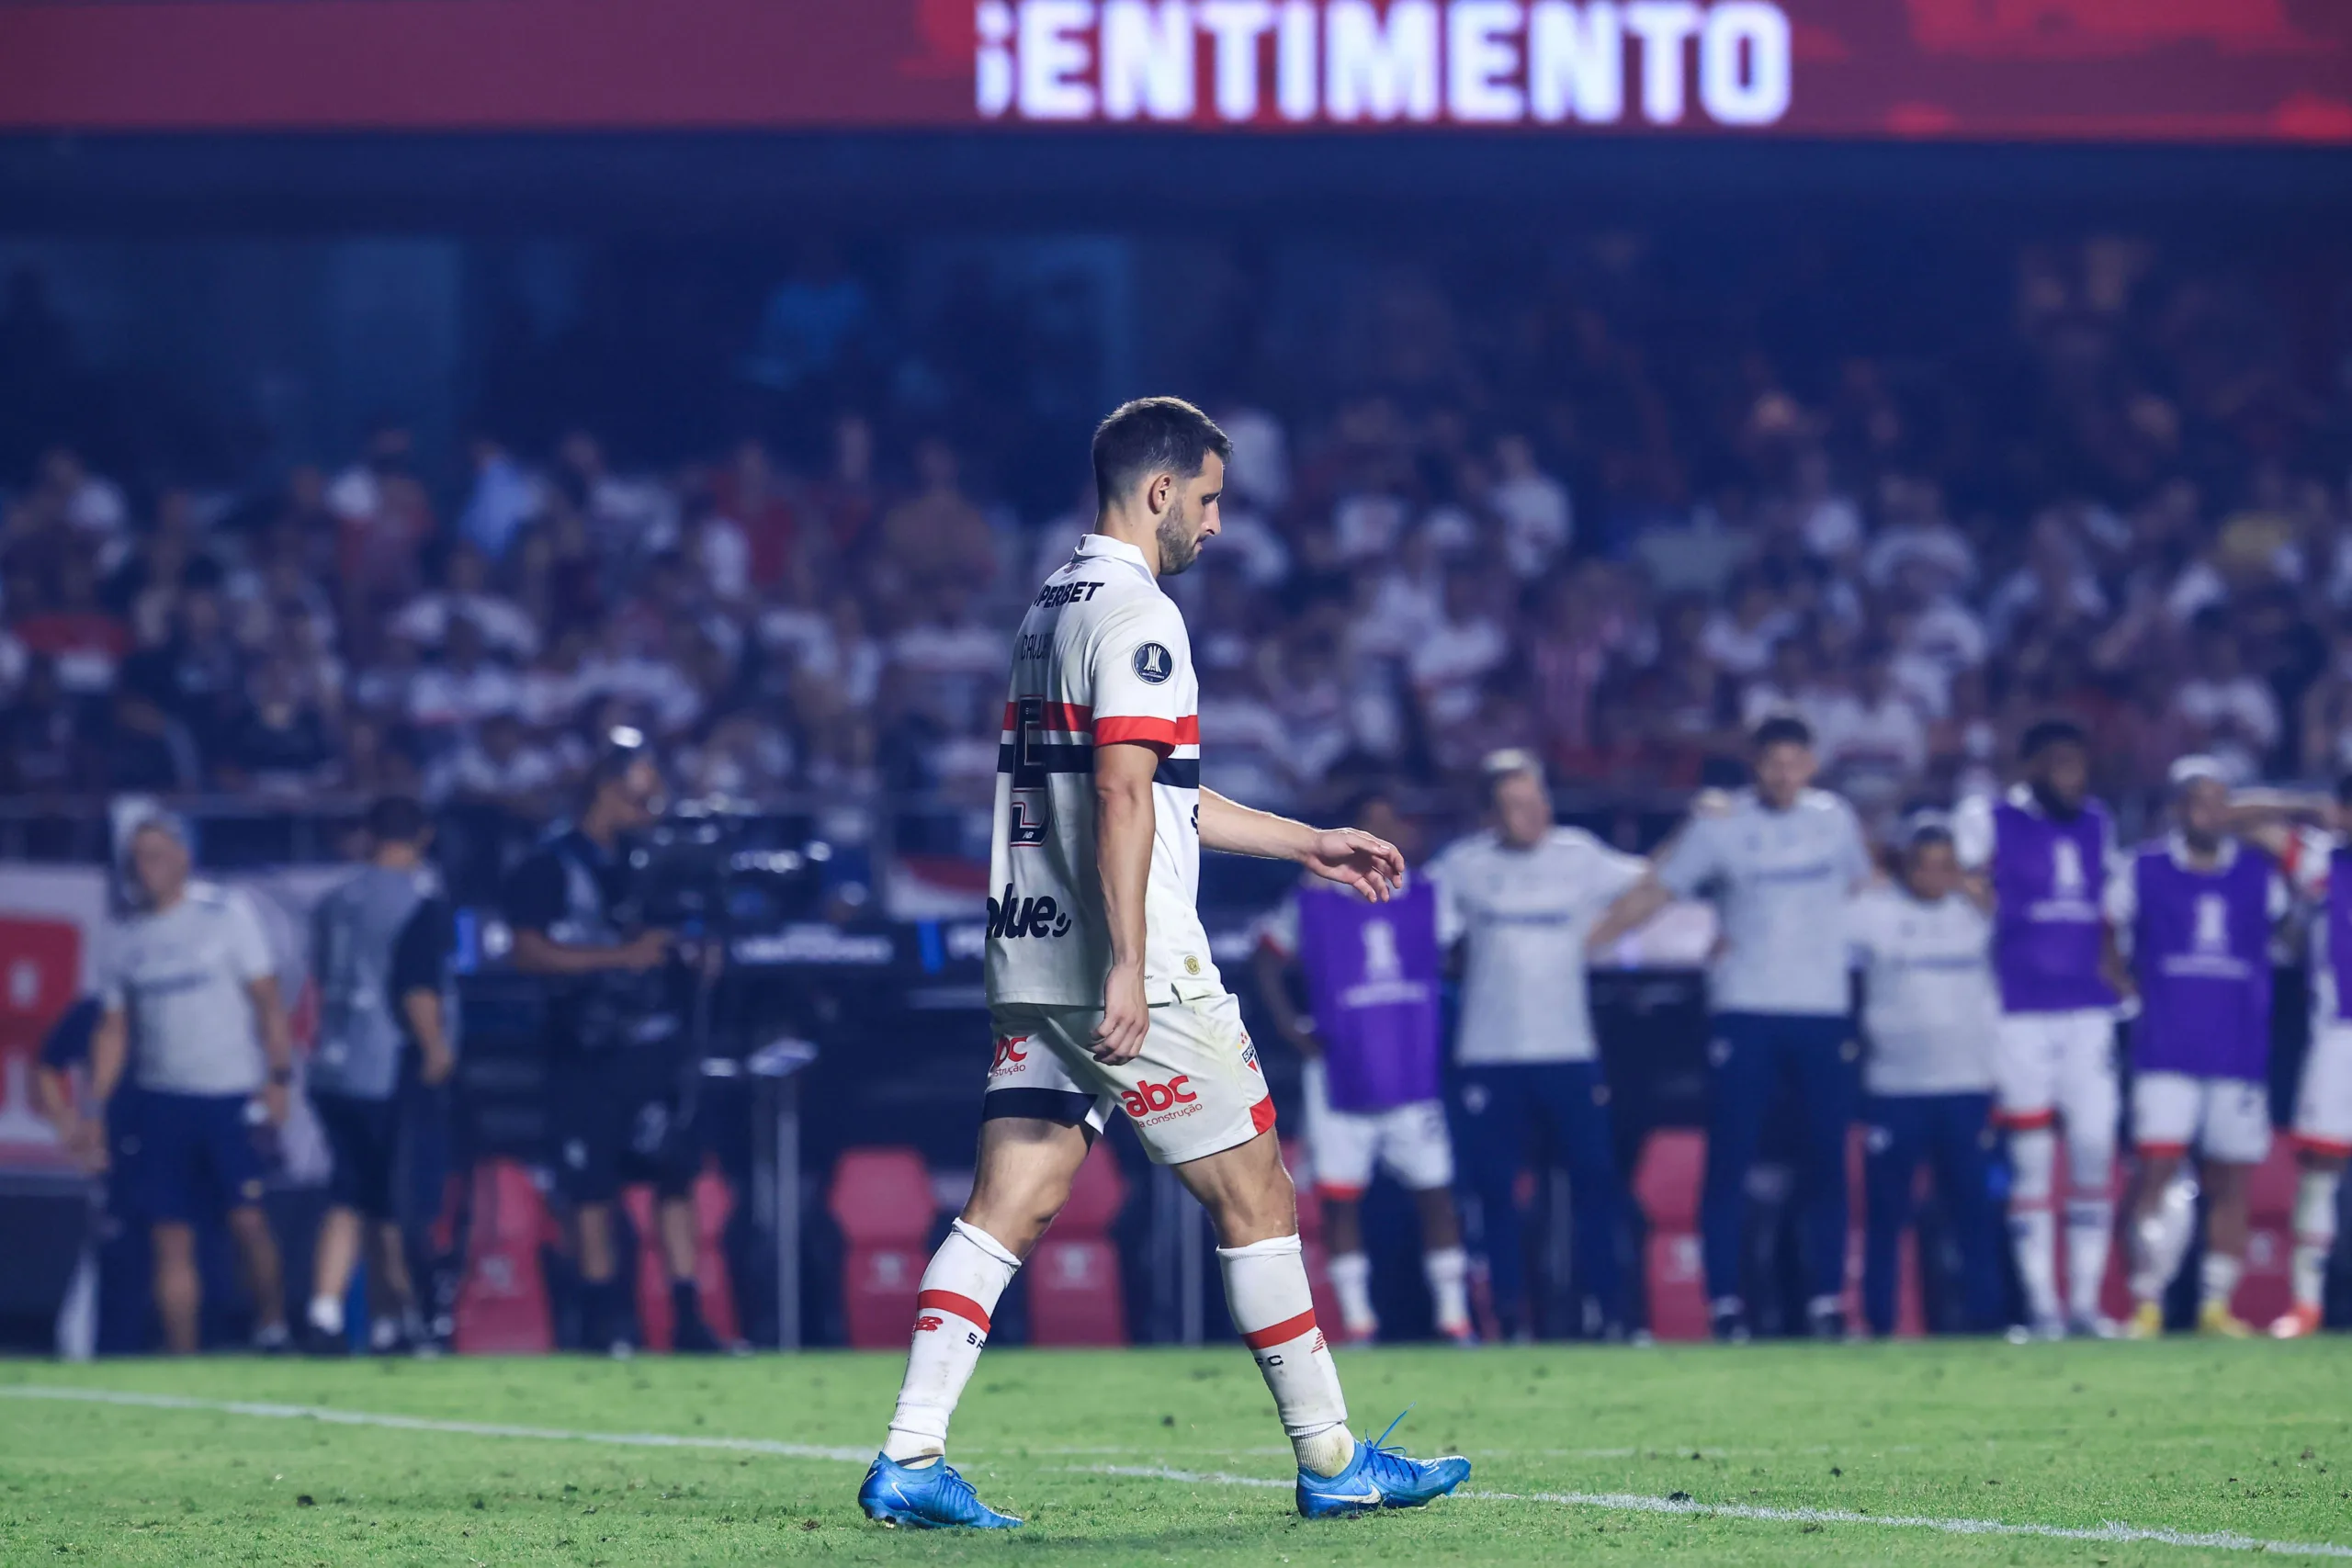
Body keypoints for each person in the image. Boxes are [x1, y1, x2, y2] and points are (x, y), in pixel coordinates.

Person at [860, 397, 1467, 1530]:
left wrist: (1308, 841)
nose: (1218, 523)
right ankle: (1332, 1457)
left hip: (1035, 962)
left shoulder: (1050, 605)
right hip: (1131, 966)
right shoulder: (1141, 614)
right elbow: (1124, 794)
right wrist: (1133, 967)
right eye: (1209, 497)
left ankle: (909, 1456)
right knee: (1260, 1191)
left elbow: (1165, 791)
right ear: (1157, 492)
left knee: (1011, 1200)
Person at [1592, 716, 1872, 1341]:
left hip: (1822, 1011)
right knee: (1729, 1160)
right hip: (1744, 1010)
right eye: (1771, 760)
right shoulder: (1722, 826)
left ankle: (1829, 1300)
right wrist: (1589, 941)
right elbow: (1657, 890)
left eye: (1793, 760)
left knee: (1829, 1159)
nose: (1782, 772)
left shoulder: (1836, 820)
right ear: (1755, 764)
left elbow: (1865, 887)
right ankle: (1723, 1302)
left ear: (1810, 763)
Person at [503, 731, 729, 1357]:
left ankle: (688, 1316)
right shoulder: (550, 863)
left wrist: (693, 959)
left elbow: (684, 934)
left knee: (674, 1177)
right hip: (583, 1049)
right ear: (606, 791)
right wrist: (618, 956)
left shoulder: (656, 863)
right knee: (590, 1188)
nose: (648, 815)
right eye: (639, 800)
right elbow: (526, 951)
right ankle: (605, 1323)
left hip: (656, 1047)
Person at [1420, 751, 1645, 1341]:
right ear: (1491, 815)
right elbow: (1423, 932)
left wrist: (1703, 829)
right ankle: (1509, 1318)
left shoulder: (1580, 855)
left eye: (1536, 800)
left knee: (1596, 1182)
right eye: (1515, 805)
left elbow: (1654, 882)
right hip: (1488, 1054)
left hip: (1569, 1050)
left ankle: (1609, 1312)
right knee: (1494, 1193)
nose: (1531, 814)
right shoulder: (1462, 867)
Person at [1252, 787, 1467, 1345]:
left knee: (1436, 1192)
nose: (1379, 839)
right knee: (1339, 1197)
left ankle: (1453, 1317)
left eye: (1389, 825)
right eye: (1368, 826)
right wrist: (1289, 1029)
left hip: (1411, 1071)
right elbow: (1266, 955)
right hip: (1339, 1073)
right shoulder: (1313, 898)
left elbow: (1460, 954)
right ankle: (1359, 1323)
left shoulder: (1429, 896)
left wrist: (1442, 1024)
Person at [86, 814, 295, 1354]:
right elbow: (114, 1029)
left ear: (183, 856)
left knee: (248, 1220)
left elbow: (267, 1001)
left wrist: (278, 1077)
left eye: (156, 853)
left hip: (228, 1095)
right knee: (169, 1235)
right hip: (161, 1101)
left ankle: (272, 1327)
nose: (145, 867)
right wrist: (95, 1111)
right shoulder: (126, 934)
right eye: (137, 856)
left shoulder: (225, 914)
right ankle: (184, 1358)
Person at [1951, 719, 2122, 1339]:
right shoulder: (1990, 818)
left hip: (2088, 1011)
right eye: (2056, 762)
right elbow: (1956, 874)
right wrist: (1987, 905)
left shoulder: (2100, 823)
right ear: (2030, 767)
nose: (2069, 775)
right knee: (2029, 1159)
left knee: (2094, 1150)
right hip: (2017, 1009)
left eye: (2077, 763)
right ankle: (2043, 1306)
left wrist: (2120, 976)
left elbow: (2104, 914)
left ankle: (2085, 1303)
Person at [2112, 757, 2286, 1338]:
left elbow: (2288, 934)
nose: (2208, 811)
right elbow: (2105, 934)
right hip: (2165, 1045)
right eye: (2196, 800)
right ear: (2176, 808)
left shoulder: (2260, 873)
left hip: (2237, 1049)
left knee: (2231, 1180)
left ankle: (2216, 1305)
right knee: (2156, 1170)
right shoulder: (2143, 868)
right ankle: (2146, 1302)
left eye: (2219, 800)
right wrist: (2127, 994)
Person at [302, 795, 458, 1356]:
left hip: (332, 1061)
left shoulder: (333, 901)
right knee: (396, 1200)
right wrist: (436, 1045)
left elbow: (321, 977)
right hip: (387, 1064)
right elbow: (415, 985)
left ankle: (324, 1309)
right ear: (422, 836)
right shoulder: (419, 900)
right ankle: (403, 1319)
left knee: (349, 1192)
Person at [1847, 816, 2005, 1337]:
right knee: (1887, 1216)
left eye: (1946, 866)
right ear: (1906, 866)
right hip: (1895, 1089)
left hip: (1966, 1087)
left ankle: (1987, 1318)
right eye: (1925, 865)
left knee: (1974, 1213)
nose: (1935, 876)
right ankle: (1880, 1320)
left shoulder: (1979, 916)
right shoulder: (1871, 913)